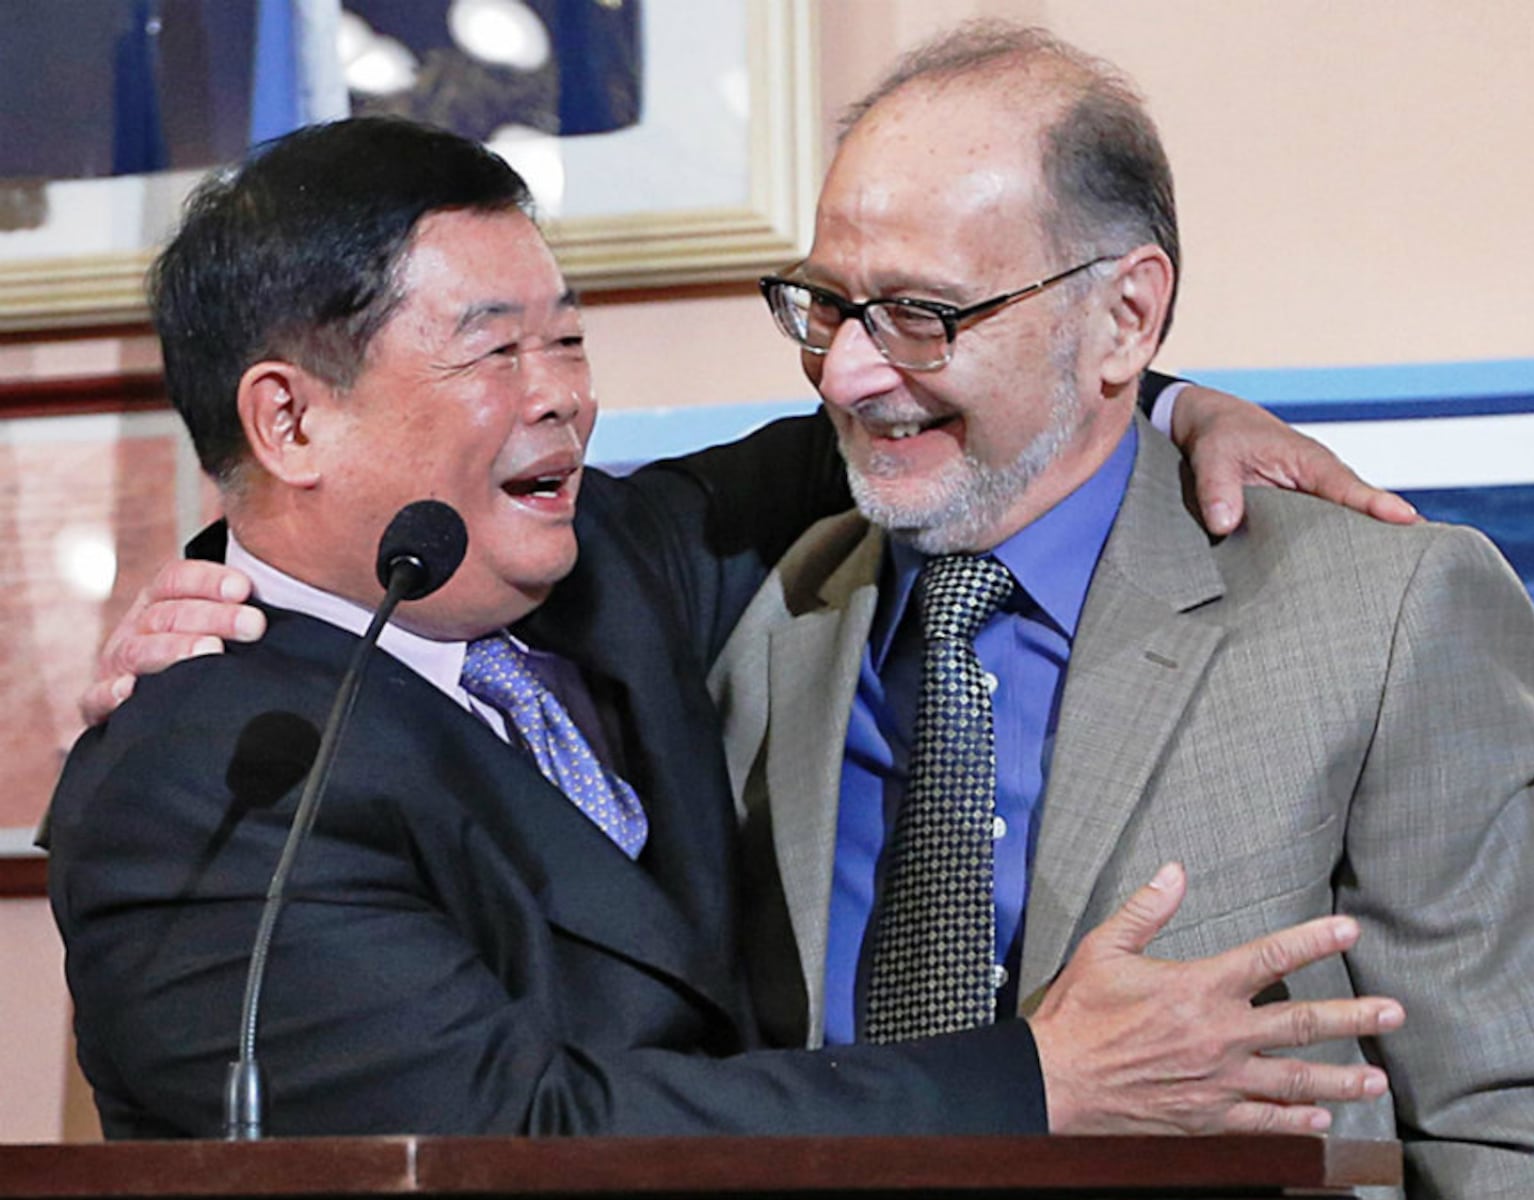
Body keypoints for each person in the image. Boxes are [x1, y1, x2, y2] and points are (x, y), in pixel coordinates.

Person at [48, 115, 1406, 1141]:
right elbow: (525, 1137)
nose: (562, 401)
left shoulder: (600, 565)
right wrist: (1039, 1079)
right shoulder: (203, 784)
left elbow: (894, 429)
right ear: (290, 419)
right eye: (493, 351)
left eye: (567, 342)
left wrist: (1157, 395)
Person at [704, 22, 1534, 1197]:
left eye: (921, 314)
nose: (844, 374)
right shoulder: (765, 621)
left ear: (1125, 318)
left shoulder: (1384, 618)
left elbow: (1519, 1137)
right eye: (822, 306)